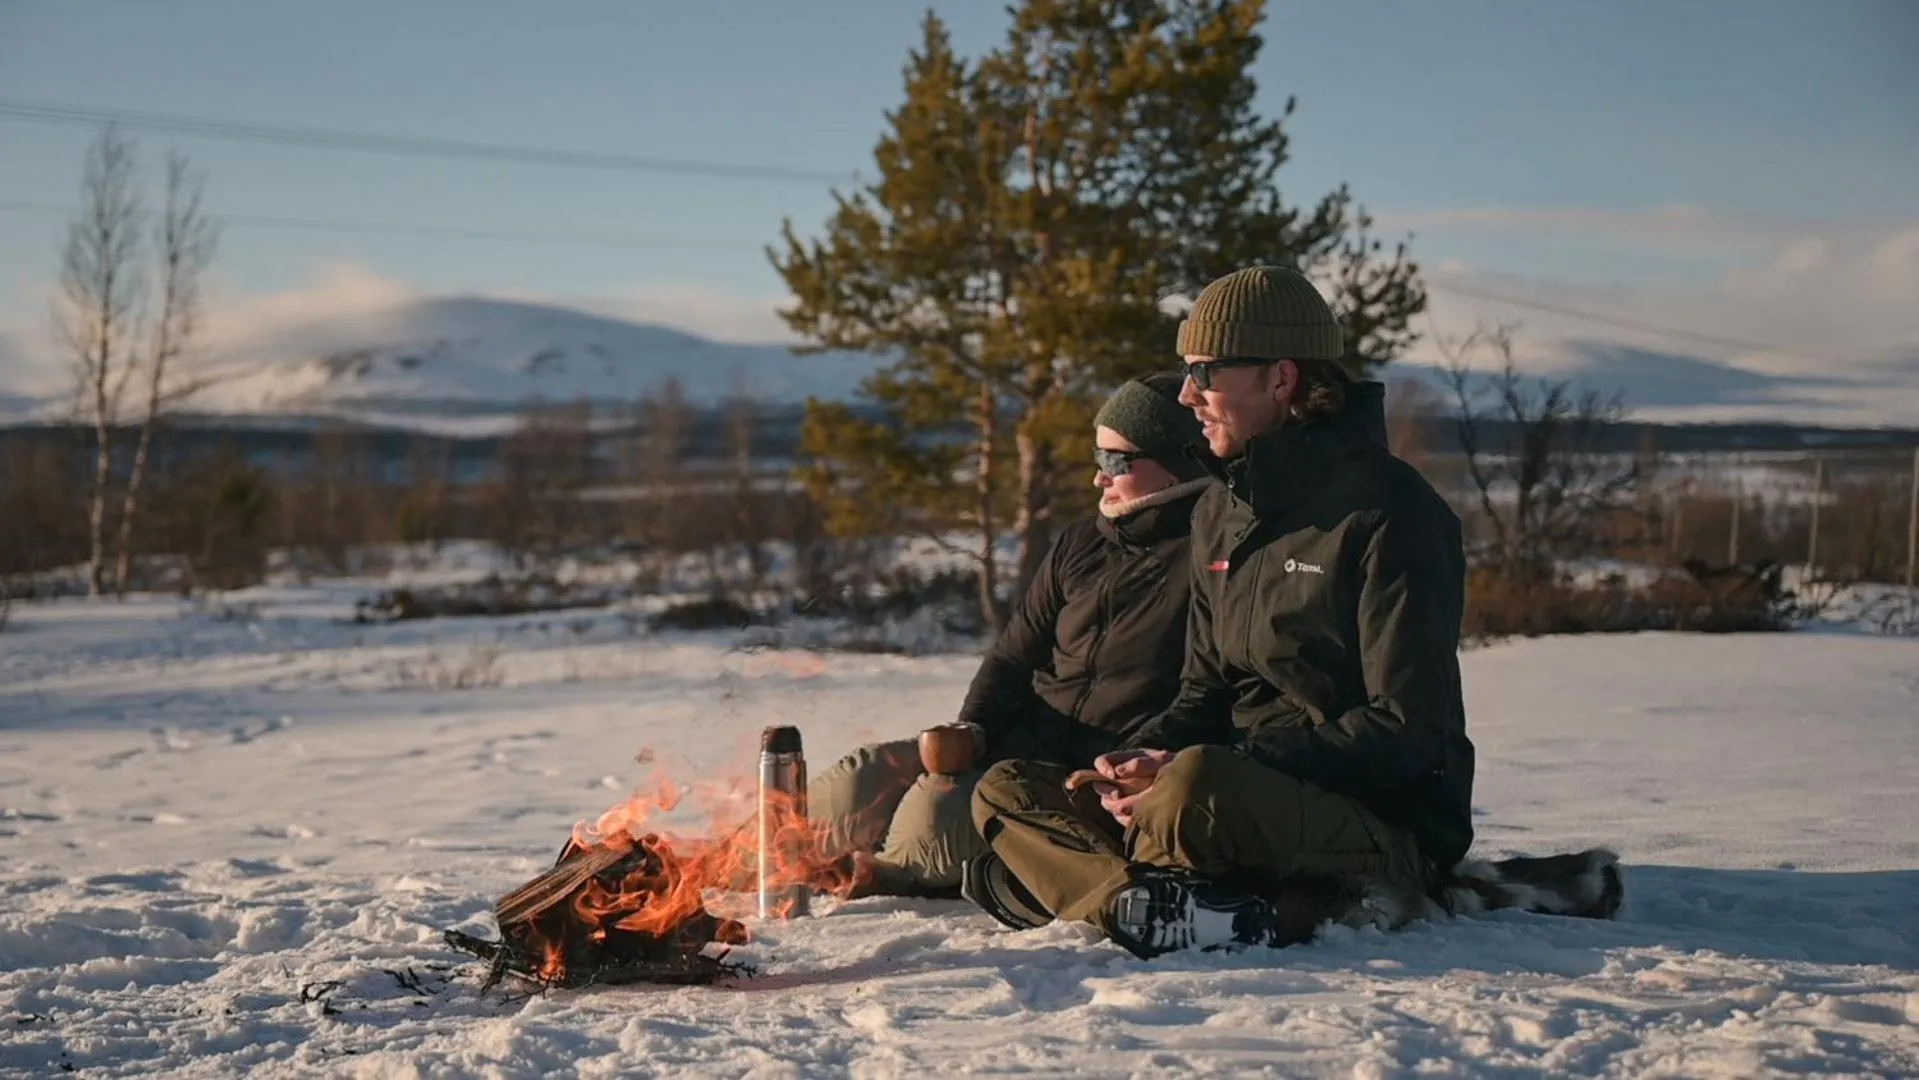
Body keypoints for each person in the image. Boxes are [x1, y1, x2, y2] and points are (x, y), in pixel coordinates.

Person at [970, 265, 1488, 957]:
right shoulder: (1220, 510)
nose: (1187, 395)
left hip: (1376, 819)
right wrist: (1134, 759)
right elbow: (1202, 692)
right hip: (1224, 795)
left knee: (1194, 788)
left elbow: (1405, 729)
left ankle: (1100, 889)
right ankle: (1145, 903)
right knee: (1007, 786)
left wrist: (1221, 763)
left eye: (1205, 373)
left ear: (1281, 379)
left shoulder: (1392, 515)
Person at [808, 374, 1215, 897]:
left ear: (1178, 464)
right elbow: (1011, 658)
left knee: (939, 812)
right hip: (1015, 741)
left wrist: (1133, 765)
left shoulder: (1211, 558)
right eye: (1097, 457)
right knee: (863, 776)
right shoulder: (1083, 542)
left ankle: (874, 877)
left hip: (1087, 776)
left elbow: (1207, 692)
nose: (1099, 477)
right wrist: (973, 731)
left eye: (1116, 461)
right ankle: (745, 857)